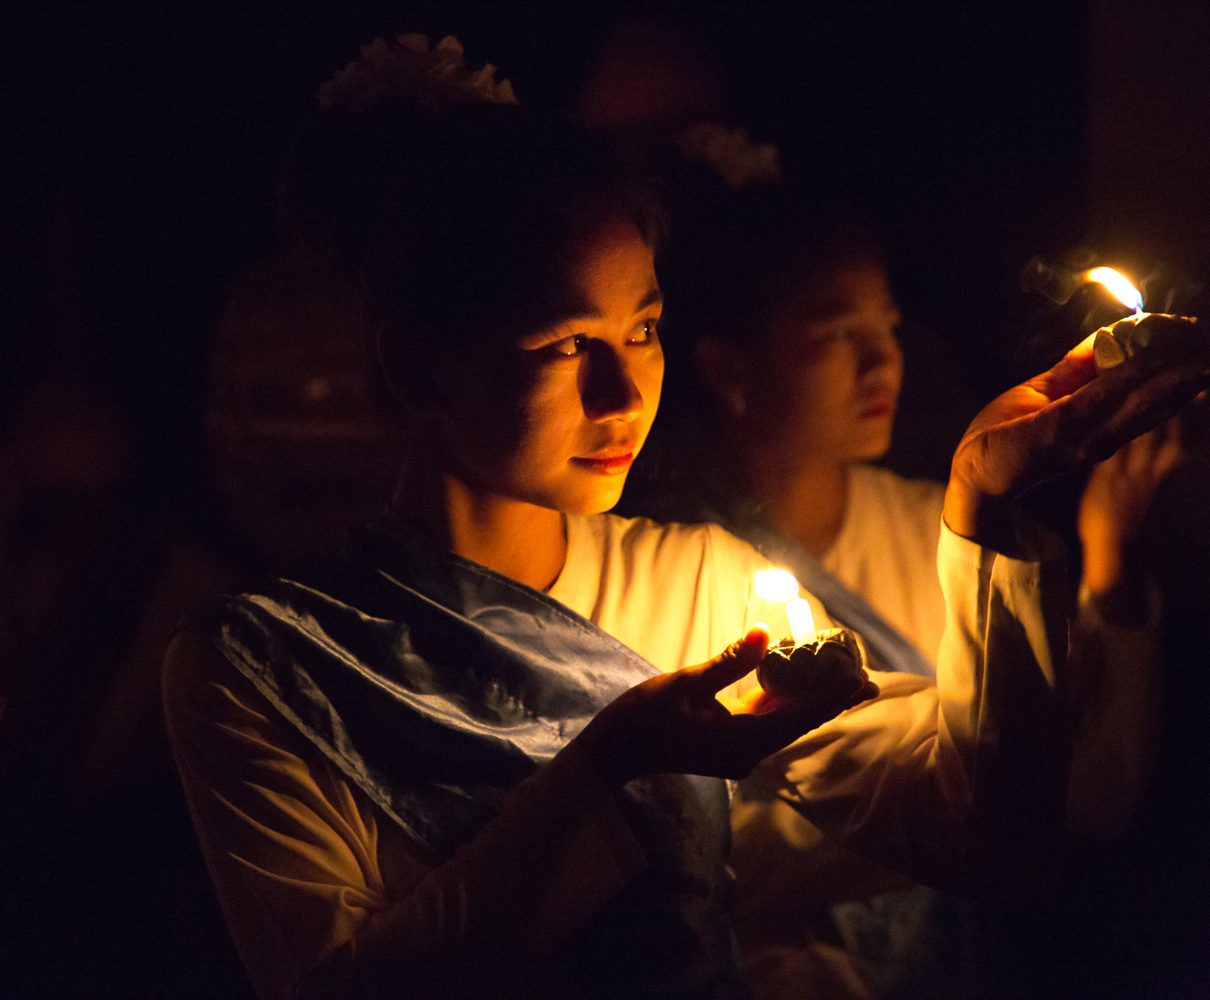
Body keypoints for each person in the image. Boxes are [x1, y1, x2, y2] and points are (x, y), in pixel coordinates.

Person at [163, 37, 1209, 999]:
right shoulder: (260, 667)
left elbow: (987, 835)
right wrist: (610, 767)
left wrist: (983, 508)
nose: (625, 395)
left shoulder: (702, 585)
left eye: (645, 328)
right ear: (414, 366)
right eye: (568, 343)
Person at [617, 186, 1181, 997]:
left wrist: (1111, 563)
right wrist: (929, 817)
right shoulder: (666, 566)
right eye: (839, 332)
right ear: (728, 367)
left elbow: (1085, 804)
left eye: (886, 328)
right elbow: (697, 851)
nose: (883, 361)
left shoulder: (946, 536)